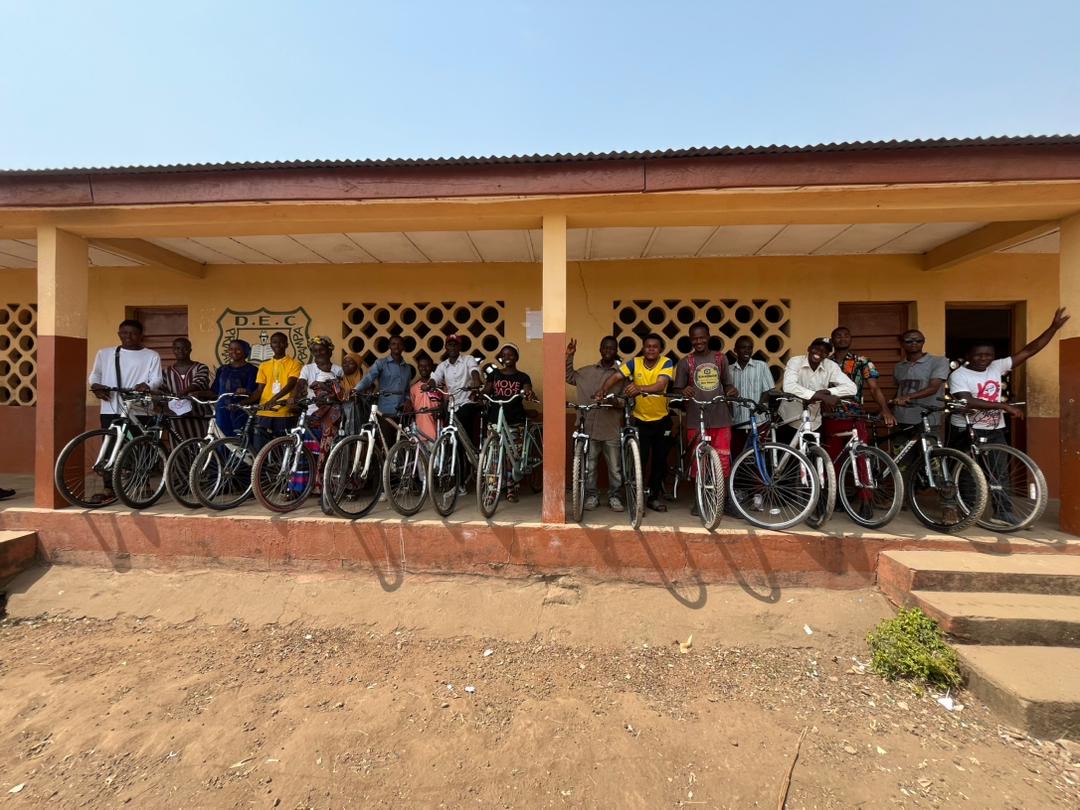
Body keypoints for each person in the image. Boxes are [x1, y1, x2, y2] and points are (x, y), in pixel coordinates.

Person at [948, 307, 1069, 522]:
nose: (984, 359)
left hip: (995, 429)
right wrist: (1004, 407)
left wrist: (1053, 328)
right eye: (978, 355)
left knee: (1000, 472)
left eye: (988, 355)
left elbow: (1030, 350)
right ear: (968, 356)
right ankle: (967, 512)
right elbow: (967, 400)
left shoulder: (996, 367)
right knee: (967, 471)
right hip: (966, 428)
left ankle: (1002, 513)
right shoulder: (959, 374)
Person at [598, 333, 674, 513]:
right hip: (640, 419)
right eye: (648, 346)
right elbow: (617, 376)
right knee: (641, 460)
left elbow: (660, 384)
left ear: (660, 349)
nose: (651, 349)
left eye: (655, 347)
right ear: (643, 347)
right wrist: (603, 388)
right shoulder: (635, 362)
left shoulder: (666, 362)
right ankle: (637, 496)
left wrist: (639, 388)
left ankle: (653, 497)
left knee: (659, 461)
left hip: (662, 419)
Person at [673, 323, 738, 516]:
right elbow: (677, 389)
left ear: (708, 337)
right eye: (695, 338)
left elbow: (727, 384)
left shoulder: (720, 359)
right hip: (695, 418)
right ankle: (699, 499)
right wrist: (683, 390)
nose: (698, 341)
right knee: (698, 461)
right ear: (690, 340)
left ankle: (723, 500)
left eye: (702, 337)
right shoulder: (686, 362)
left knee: (723, 459)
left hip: (720, 417)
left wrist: (731, 391)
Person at [566, 336, 624, 512]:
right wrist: (569, 356)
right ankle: (592, 496)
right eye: (605, 347)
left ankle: (615, 496)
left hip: (611, 427)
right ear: (600, 349)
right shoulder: (586, 372)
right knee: (589, 467)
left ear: (616, 351)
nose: (608, 350)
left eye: (612, 348)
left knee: (615, 468)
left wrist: (616, 402)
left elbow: (628, 399)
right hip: (589, 427)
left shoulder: (622, 374)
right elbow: (568, 376)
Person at [482, 343, 536, 502]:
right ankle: (492, 490)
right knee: (493, 457)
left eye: (511, 355)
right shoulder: (495, 374)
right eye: (504, 355)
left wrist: (527, 392)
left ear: (516, 357)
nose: (507, 358)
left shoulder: (522, 377)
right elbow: (487, 389)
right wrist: (480, 394)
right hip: (494, 420)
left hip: (514, 419)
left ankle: (512, 487)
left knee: (512, 457)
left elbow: (527, 388)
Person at [777, 337, 857, 442]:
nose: (820, 352)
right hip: (789, 419)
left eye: (825, 351)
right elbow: (789, 386)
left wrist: (828, 392)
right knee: (784, 456)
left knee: (814, 456)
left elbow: (852, 388)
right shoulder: (795, 361)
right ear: (809, 348)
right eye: (816, 348)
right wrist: (821, 396)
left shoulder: (831, 366)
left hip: (814, 422)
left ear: (827, 355)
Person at [89, 319, 163, 428]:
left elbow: (157, 379)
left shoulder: (151, 355)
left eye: (133, 333)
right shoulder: (104, 353)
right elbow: (95, 374)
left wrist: (147, 386)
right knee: (112, 442)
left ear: (141, 336)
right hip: (110, 408)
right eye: (124, 333)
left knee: (139, 442)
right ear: (119, 334)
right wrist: (95, 386)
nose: (128, 336)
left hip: (140, 409)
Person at [248, 331, 302, 448]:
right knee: (260, 449)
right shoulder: (264, 365)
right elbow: (259, 391)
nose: (278, 345)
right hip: (264, 411)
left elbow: (291, 384)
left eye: (282, 342)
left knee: (283, 449)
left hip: (283, 411)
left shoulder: (294, 364)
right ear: (271, 345)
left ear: (287, 345)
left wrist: (274, 399)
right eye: (275, 342)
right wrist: (243, 403)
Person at [428, 334, 483, 442]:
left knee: (464, 427)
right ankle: (454, 457)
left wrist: (476, 380)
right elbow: (435, 377)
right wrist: (429, 384)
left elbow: (474, 369)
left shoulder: (468, 359)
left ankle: (469, 455)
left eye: (455, 345)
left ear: (460, 347)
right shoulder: (443, 365)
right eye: (450, 345)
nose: (452, 347)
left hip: (467, 402)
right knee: (452, 434)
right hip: (452, 405)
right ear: (446, 347)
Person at [892, 330, 950, 430]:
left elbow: (933, 388)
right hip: (901, 418)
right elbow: (900, 390)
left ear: (923, 342)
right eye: (909, 341)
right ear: (901, 343)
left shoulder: (939, 361)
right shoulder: (899, 366)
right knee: (901, 445)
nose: (914, 343)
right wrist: (886, 408)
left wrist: (907, 397)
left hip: (928, 419)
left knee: (930, 445)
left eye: (918, 341)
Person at [728, 336, 775, 456]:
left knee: (758, 455)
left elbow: (769, 390)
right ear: (735, 350)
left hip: (759, 422)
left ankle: (759, 475)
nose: (747, 351)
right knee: (738, 456)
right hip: (737, 422)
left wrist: (759, 406)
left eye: (749, 348)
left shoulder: (761, 366)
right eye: (743, 348)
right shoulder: (729, 370)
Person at [162, 337, 211, 441]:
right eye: (177, 348)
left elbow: (198, 382)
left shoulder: (201, 367)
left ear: (190, 350)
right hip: (176, 416)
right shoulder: (166, 371)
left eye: (185, 348)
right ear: (173, 350)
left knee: (201, 445)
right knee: (179, 447)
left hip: (199, 415)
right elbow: (163, 391)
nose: (181, 351)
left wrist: (181, 393)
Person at [354, 334, 414, 417]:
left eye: (400, 344)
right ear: (389, 346)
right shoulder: (381, 363)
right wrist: (356, 389)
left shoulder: (407, 368)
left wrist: (408, 400)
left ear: (403, 347)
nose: (396, 346)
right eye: (393, 344)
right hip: (385, 407)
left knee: (401, 430)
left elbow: (407, 389)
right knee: (384, 429)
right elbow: (369, 378)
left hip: (402, 408)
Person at [208, 339, 259, 436]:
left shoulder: (252, 370)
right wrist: (198, 393)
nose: (234, 352)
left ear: (245, 351)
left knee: (239, 440)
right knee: (221, 439)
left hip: (241, 411)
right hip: (222, 410)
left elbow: (254, 392)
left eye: (238, 349)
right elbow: (215, 391)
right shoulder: (222, 369)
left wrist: (245, 391)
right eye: (231, 349)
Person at [407, 354, 442, 442]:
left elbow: (445, 403)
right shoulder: (413, 388)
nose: (424, 368)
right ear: (418, 367)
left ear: (432, 367)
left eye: (427, 366)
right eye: (421, 366)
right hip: (419, 434)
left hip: (437, 433)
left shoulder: (440, 386)